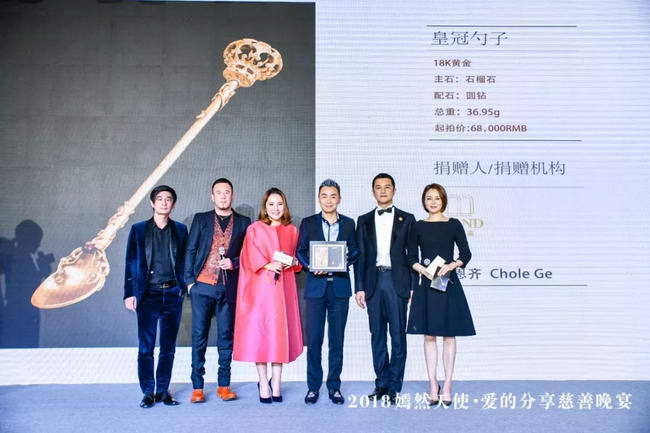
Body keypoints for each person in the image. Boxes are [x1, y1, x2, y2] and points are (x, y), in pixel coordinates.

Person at [407, 183, 475, 406]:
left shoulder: (453, 224)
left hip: (447, 283)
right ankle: (432, 383)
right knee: (429, 336)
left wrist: (452, 265)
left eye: (437, 198)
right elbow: (410, 256)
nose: (433, 202)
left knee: (449, 335)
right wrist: (422, 269)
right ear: (423, 201)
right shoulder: (418, 226)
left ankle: (447, 385)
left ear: (443, 200)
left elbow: (466, 253)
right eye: (429, 198)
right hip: (427, 285)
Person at [233, 187, 303, 404]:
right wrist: (267, 264)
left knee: (279, 336)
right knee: (262, 336)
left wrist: (293, 262)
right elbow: (248, 257)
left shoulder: (292, 230)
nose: (275, 208)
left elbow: (297, 260)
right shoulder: (254, 229)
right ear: (265, 207)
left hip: (284, 290)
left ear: (285, 206)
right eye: (271, 204)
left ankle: (277, 383)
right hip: (261, 291)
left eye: (280, 204)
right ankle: (263, 382)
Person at [184, 178, 251, 403]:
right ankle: (197, 387)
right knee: (199, 337)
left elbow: (248, 255)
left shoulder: (244, 222)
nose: (223, 196)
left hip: (228, 288)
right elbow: (191, 249)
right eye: (219, 192)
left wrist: (233, 262)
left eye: (227, 192)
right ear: (212, 196)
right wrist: (190, 282)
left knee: (225, 338)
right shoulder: (201, 219)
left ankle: (224, 385)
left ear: (232, 195)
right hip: (202, 286)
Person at [123, 185, 188, 408]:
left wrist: (184, 287)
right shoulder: (139, 230)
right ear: (152, 203)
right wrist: (129, 293)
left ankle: (163, 390)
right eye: (159, 199)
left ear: (173, 204)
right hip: (147, 294)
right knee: (146, 347)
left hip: (173, 293)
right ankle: (148, 392)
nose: (164, 202)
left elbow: (184, 261)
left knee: (168, 348)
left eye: (168, 199)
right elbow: (131, 262)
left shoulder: (181, 230)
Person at [297, 179, 360, 405]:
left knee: (337, 340)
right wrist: (311, 266)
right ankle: (313, 387)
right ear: (319, 198)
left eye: (333, 196)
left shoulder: (349, 224)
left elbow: (355, 251)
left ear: (339, 199)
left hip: (340, 289)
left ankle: (334, 386)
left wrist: (342, 261)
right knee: (314, 340)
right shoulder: (308, 223)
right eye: (324, 196)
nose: (329, 200)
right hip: (316, 289)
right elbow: (300, 251)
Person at [355, 173, 416, 404]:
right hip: (373, 282)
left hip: (397, 281)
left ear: (394, 190)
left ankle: (394, 385)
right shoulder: (363, 220)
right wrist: (359, 287)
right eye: (378, 187)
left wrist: (413, 286)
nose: (383, 191)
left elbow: (413, 254)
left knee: (398, 335)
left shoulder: (407, 219)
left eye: (387, 187)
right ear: (373, 192)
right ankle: (381, 383)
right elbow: (360, 257)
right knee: (377, 335)